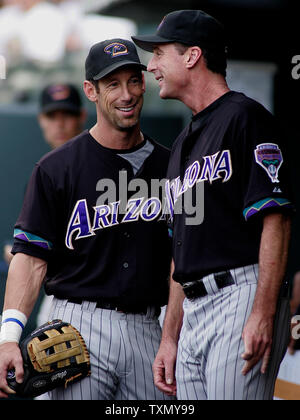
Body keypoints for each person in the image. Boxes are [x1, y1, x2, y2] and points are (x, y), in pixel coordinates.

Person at [133, 9, 294, 400]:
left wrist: (263, 312)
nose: (151, 65)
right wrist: (169, 337)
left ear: (192, 56)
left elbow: (276, 220)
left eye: (159, 53)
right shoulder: (183, 142)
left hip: (240, 292)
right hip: (193, 306)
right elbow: (179, 251)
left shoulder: (246, 117)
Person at [0, 38, 172, 400]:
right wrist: (8, 339)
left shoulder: (171, 166)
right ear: (91, 91)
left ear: (145, 83)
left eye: (133, 81)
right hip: (79, 327)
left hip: (149, 326)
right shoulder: (56, 168)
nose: (126, 94)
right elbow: (30, 261)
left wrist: (172, 334)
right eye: (113, 84)